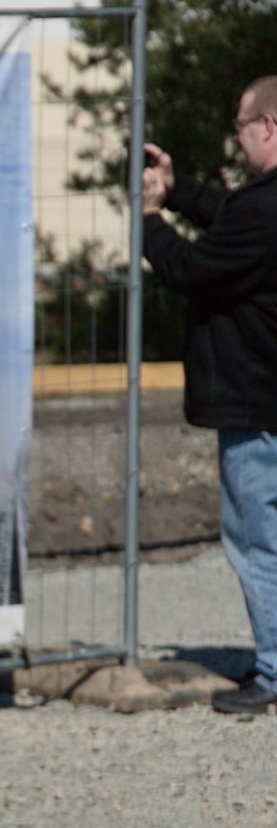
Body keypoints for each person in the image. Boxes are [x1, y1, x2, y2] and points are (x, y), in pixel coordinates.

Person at [141, 76, 277, 716]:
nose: (238, 137)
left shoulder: (263, 209)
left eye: (241, 126)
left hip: (257, 404)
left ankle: (272, 672)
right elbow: (230, 213)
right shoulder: (261, 206)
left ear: (268, 126)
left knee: (257, 541)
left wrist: (149, 220)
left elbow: (190, 269)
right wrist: (176, 189)